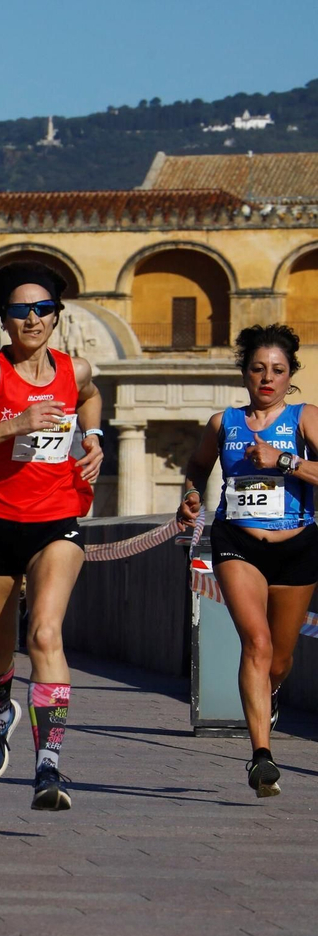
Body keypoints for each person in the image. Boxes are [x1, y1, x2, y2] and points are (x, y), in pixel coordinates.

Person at [0, 260, 102, 812]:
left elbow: (91, 396)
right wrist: (15, 424)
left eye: (42, 309)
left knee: (46, 635)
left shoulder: (74, 369)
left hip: (56, 518)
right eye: (19, 310)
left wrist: (94, 438)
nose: (31, 319)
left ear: (56, 315)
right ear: (3, 317)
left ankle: (48, 767)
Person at [179, 325, 316, 798]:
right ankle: (262, 756)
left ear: (290, 375)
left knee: (279, 659)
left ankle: (269, 694)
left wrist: (284, 461)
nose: (267, 378)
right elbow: (197, 466)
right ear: (244, 373)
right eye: (258, 369)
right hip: (238, 540)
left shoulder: (304, 418)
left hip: (298, 545)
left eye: (277, 370)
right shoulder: (224, 423)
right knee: (255, 643)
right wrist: (192, 495)